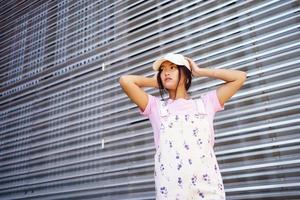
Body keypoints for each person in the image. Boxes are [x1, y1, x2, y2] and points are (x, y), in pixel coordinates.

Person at [119, 53, 247, 199]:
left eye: (172, 67)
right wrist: (157, 82)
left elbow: (240, 77)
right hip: (171, 191)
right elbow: (125, 81)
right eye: (163, 69)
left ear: (185, 74)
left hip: (208, 190)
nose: (166, 72)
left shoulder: (205, 104)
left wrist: (200, 71)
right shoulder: (155, 107)